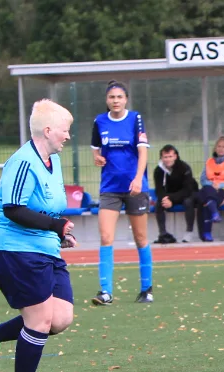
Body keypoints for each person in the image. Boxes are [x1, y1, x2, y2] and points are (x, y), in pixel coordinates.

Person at [0, 99, 79, 372]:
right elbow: (13, 209)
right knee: (40, 320)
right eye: (65, 130)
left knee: (60, 318)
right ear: (47, 130)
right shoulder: (23, 161)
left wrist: (58, 233)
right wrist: (56, 225)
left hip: (45, 249)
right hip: (15, 251)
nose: (68, 136)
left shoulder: (54, 161)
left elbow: (46, 209)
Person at [90, 80, 153, 305]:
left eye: (119, 97)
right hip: (110, 188)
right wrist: (97, 158)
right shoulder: (99, 121)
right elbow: (95, 149)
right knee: (106, 237)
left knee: (140, 237)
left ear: (126, 99)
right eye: (111, 97)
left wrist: (138, 179)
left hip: (135, 188)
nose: (115, 101)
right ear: (106, 100)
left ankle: (146, 289)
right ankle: (105, 292)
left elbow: (143, 152)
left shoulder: (135, 119)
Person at [194, 135, 224, 241]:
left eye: (223, 147)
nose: (221, 149)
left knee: (205, 198)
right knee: (205, 192)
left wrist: (220, 185)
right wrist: (213, 184)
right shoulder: (209, 161)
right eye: (219, 146)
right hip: (211, 188)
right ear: (215, 148)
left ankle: (207, 232)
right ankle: (214, 213)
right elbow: (203, 179)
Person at [152, 144, 198, 243]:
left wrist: (171, 199)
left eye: (170, 156)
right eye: (165, 157)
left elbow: (188, 189)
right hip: (169, 196)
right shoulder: (158, 170)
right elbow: (159, 190)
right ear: (161, 158)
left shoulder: (184, 168)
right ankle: (163, 233)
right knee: (159, 204)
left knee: (188, 202)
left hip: (186, 194)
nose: (168, 159)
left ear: (175, 156)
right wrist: (165, 199)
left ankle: (189, 232)